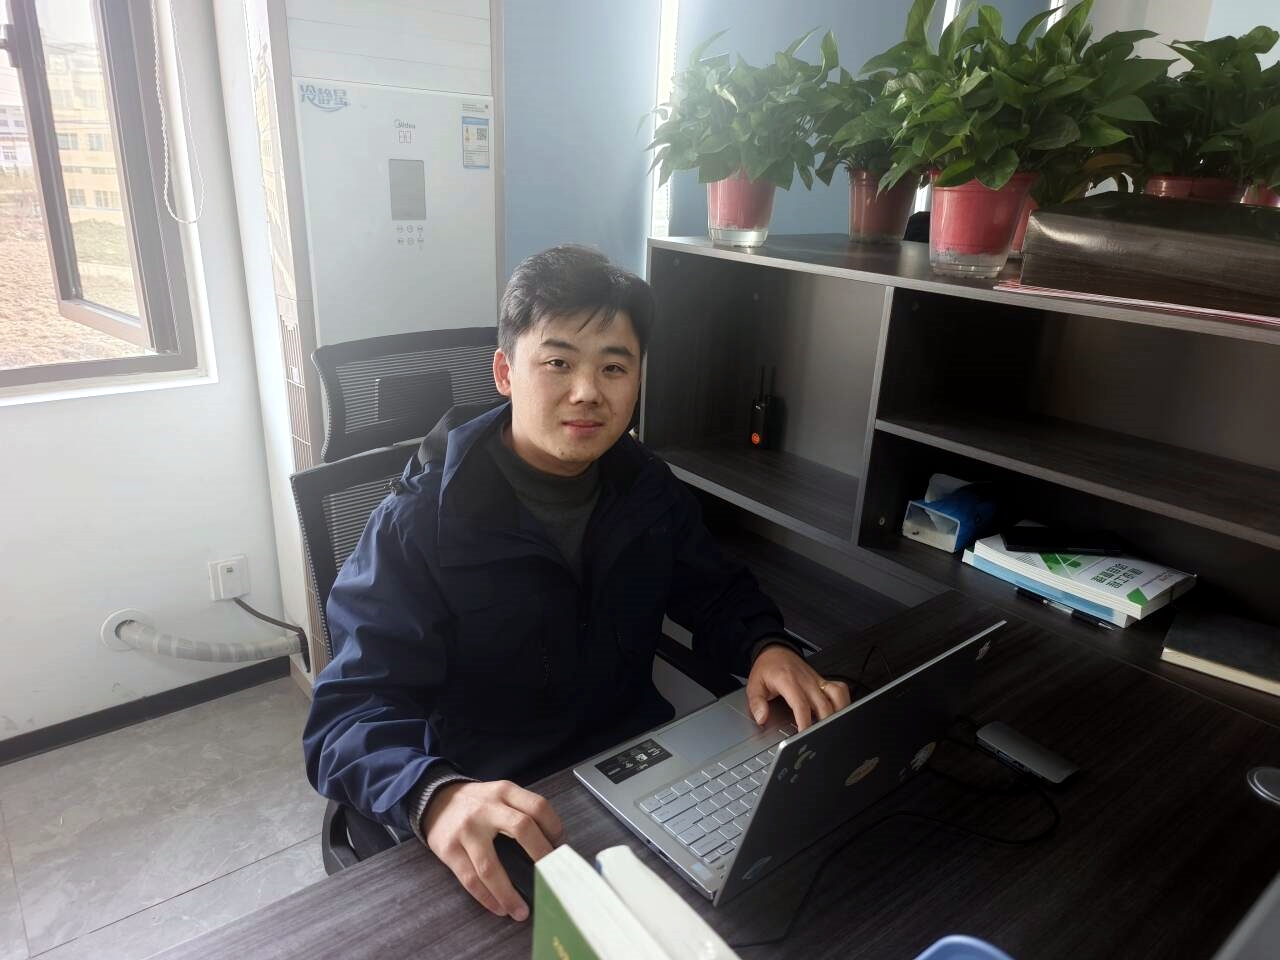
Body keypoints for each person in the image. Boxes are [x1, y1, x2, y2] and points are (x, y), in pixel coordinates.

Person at [303, 244, 851, 923]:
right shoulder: (419, 523)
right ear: (505, 372)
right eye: (558, 362)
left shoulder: (645, 486)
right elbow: (346, 717)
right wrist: (435, 795)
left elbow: (714, 591)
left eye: (614, 367)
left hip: (633, 775)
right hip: (499, 803)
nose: (588, 391)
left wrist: (767, 646)